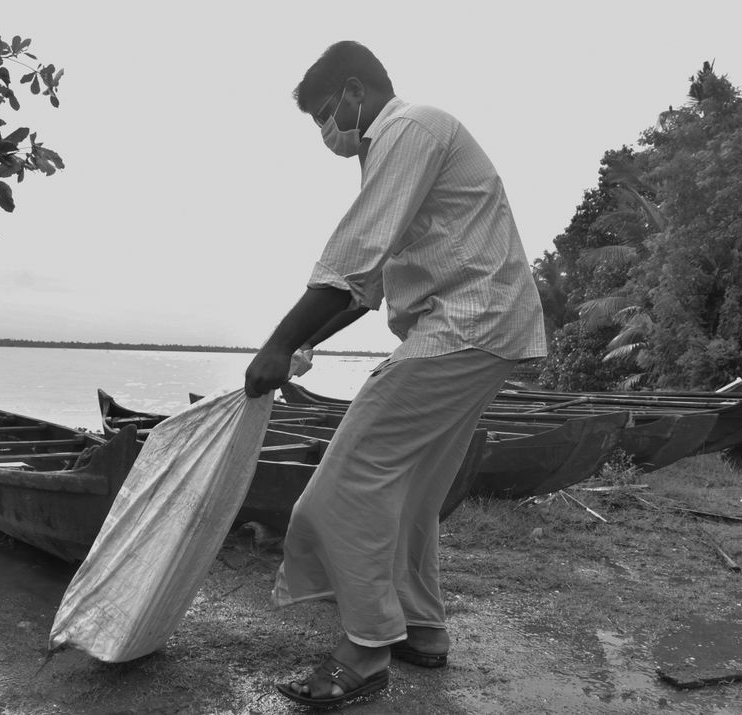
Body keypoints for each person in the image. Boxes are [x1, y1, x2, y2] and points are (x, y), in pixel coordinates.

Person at [244, 40, 547, 707]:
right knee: (410, 495)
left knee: (341, 488)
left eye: (326, 113)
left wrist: (276, 343)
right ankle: (423, 628)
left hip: (464, 326)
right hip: (484, 329)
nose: (327, 131)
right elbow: (365, 290)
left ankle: (364, 650)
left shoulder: (407, 128)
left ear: (355, 91)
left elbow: (349, 259)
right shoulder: (402, 148)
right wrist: (303, 345)